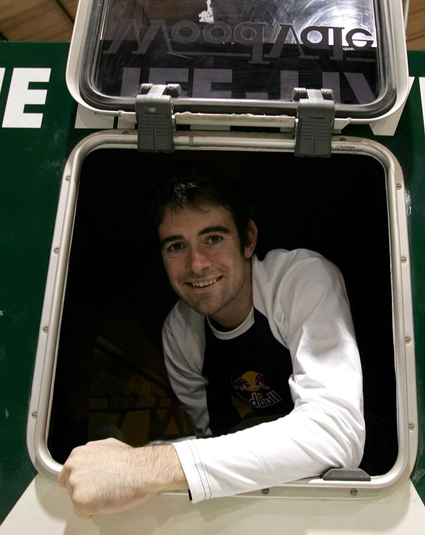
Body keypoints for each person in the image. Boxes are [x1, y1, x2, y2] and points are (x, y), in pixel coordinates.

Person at [58, 165, 365, 518]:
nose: (197, 264)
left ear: (248, 239)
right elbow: (215, 443)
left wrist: (144, 468)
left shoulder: (300, 281)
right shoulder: (180, 334)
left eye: (214, 239)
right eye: (177, 246)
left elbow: (337, 434)